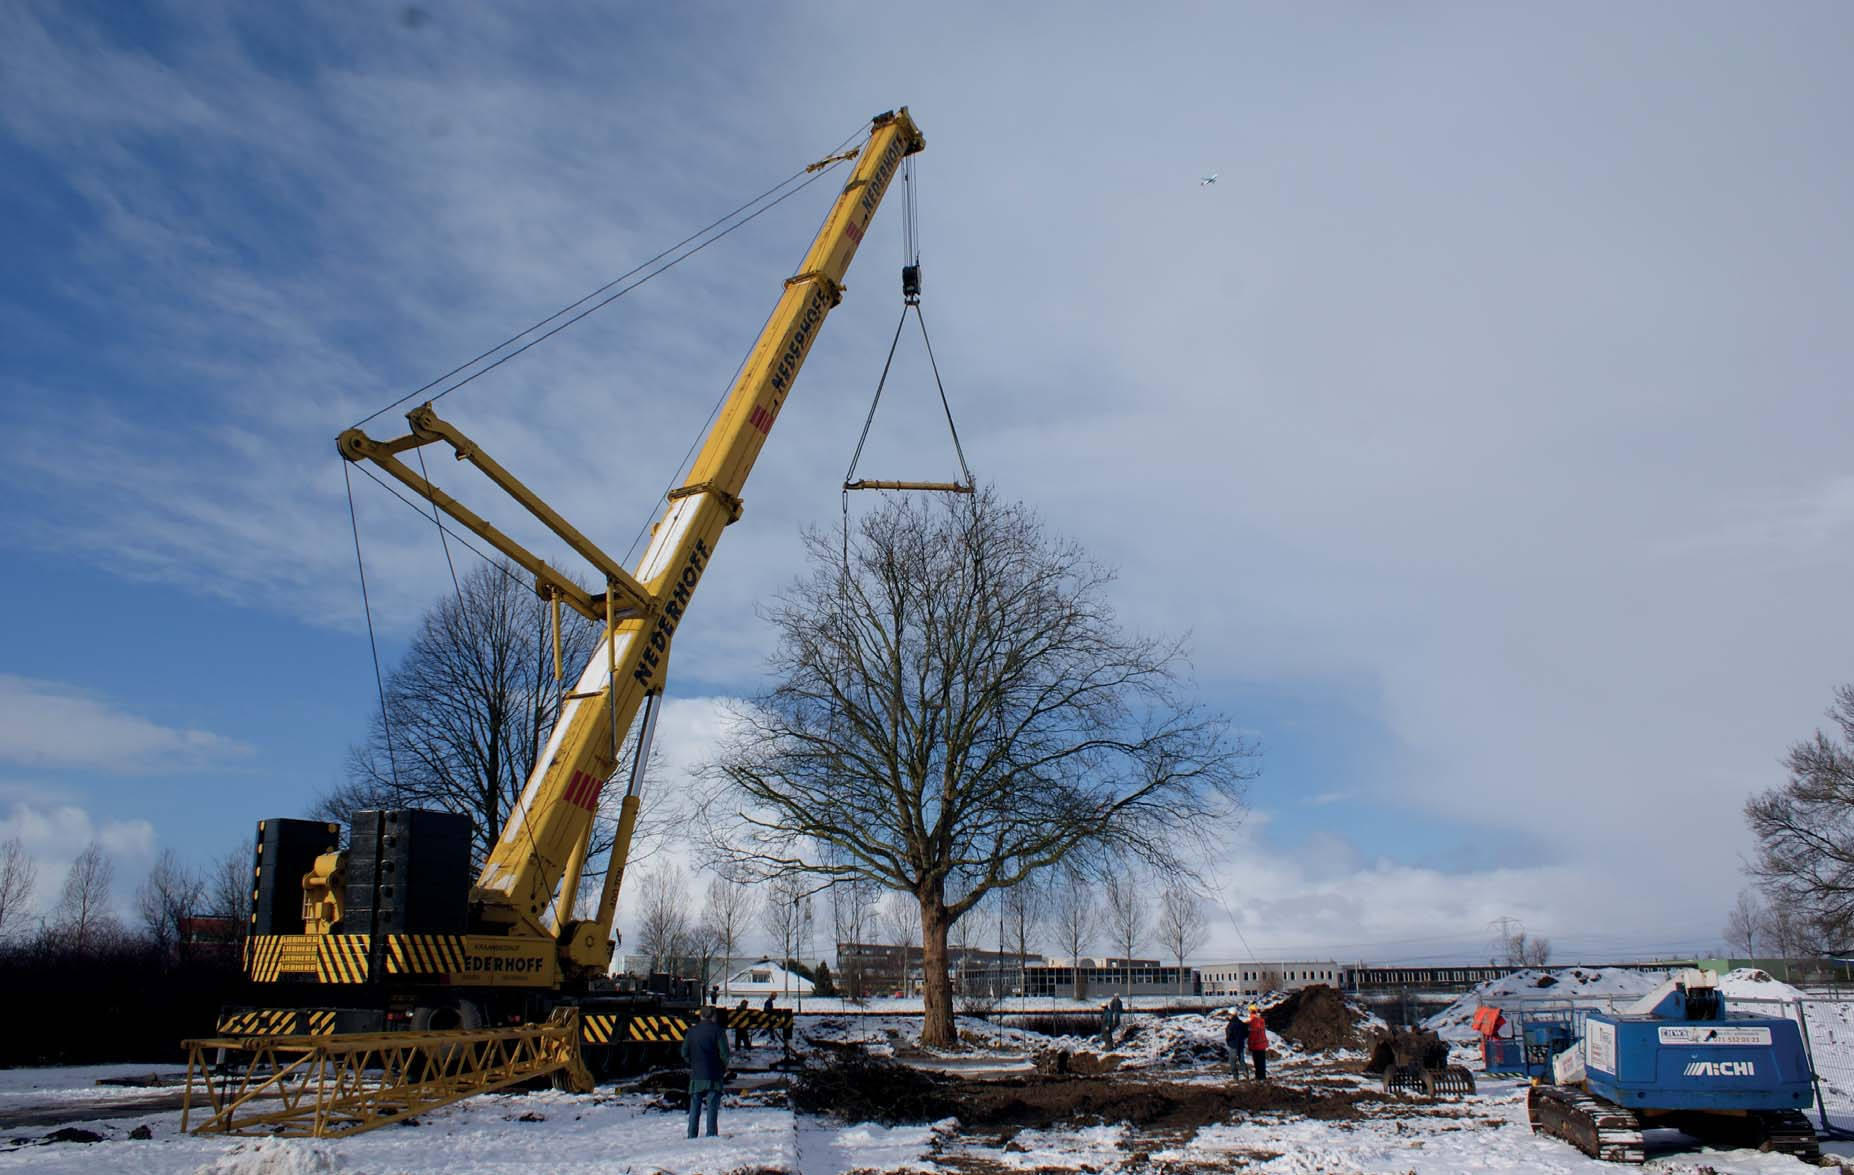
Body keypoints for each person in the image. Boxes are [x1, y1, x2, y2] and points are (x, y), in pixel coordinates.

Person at [680, 1005, 729, 1139]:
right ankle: (711, 1134)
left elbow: (684, 1052)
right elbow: (725, 1054)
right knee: (712, 1106)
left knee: (695, 1106)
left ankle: (691, 1134)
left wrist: (693, 1063)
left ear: (701, 1016)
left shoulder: (691, 1032)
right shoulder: (718, 1032)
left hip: (697, 1074)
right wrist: (722, 1067)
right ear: (713, 1016)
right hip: (714, 1074)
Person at [1246, 1003, 1269, 1081]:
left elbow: (1253, 1034)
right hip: (1262, 1044)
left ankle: (1259, 1076)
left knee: (1257, 1062)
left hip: (1256, 1045)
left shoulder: (1253, 1021)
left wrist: (1250, 1044)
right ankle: (1262, 1075)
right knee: (1262, 1061)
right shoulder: (1261, 1020)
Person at [1224, 1004, 1247, 1077]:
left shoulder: (1231, 1024)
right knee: (1242, 1061)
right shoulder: (1241, 1023)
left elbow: (1229, 1035)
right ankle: (1246, 1073)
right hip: (1241, 1044)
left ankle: (1235, 1077)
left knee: (1232, 1062)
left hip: (1233, 1045)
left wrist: (1228, 1041)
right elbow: (1246, 1033)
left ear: (1231, 1015)